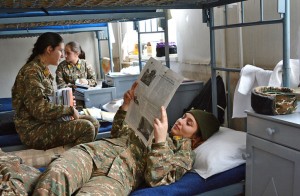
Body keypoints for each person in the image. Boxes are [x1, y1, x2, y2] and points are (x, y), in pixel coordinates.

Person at [33, 82, 220, 195]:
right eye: (183, 117)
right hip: (95, 153)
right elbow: (117, 134)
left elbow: (155, 178)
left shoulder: (185, 154)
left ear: (196, 139)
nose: (180, 122)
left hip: (118, 177)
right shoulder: (158, 125)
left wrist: (160, 141)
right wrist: (125, 106)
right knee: (56, 175)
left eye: (189, 124)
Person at [11, 32, 99, 150]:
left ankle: (74, 156)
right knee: (87, 128)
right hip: (33, 130)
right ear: (49, 49)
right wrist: (69, 110)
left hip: (45, 122)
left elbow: (48, 101)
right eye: (61, 51)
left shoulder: (42, 70)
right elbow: (40, 110)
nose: (63, 56)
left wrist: (66, 103)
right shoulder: (31, 72)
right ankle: (72, 164)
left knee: (94, 122)